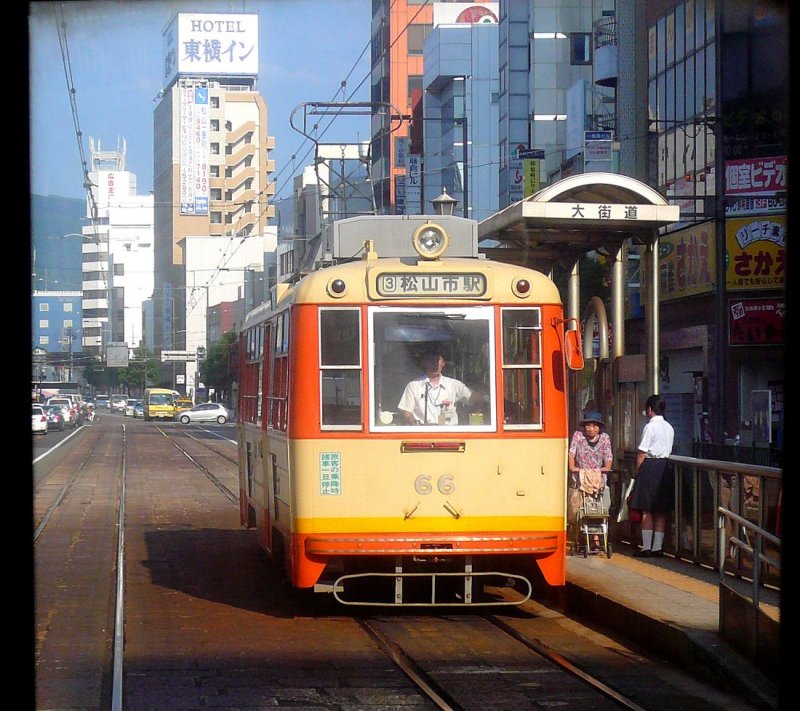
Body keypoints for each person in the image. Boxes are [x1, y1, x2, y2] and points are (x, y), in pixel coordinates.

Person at [629, 394, 675, 557]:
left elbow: (642, 452)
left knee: (647, 510)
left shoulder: (650, 427)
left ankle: (646, 547)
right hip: (665, 467)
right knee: (661, 510)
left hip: (650, 467)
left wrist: (638, 471)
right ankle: (658, 548)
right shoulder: (669, 427)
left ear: (650, 409)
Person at [398, 349, 472, 425]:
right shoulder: (413, 386)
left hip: (449, 433)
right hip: (423, 433)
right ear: (424, 363)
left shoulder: (453, 385)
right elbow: (407, 412)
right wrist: (415, 424)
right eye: (431, 360)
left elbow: (473, 398)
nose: (434, 363)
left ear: (443, 363)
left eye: (437, 360)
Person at [568, 410, 613, 512]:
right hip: (580, 476)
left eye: (595, 426)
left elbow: (608, 456)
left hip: (599, 477)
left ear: (599, 427)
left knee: (603, 500)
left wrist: (607, 467)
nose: (591, 429)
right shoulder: (578, 436)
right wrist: (572, 467)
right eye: (588, 426)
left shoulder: (605, 438)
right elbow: (572, 453)